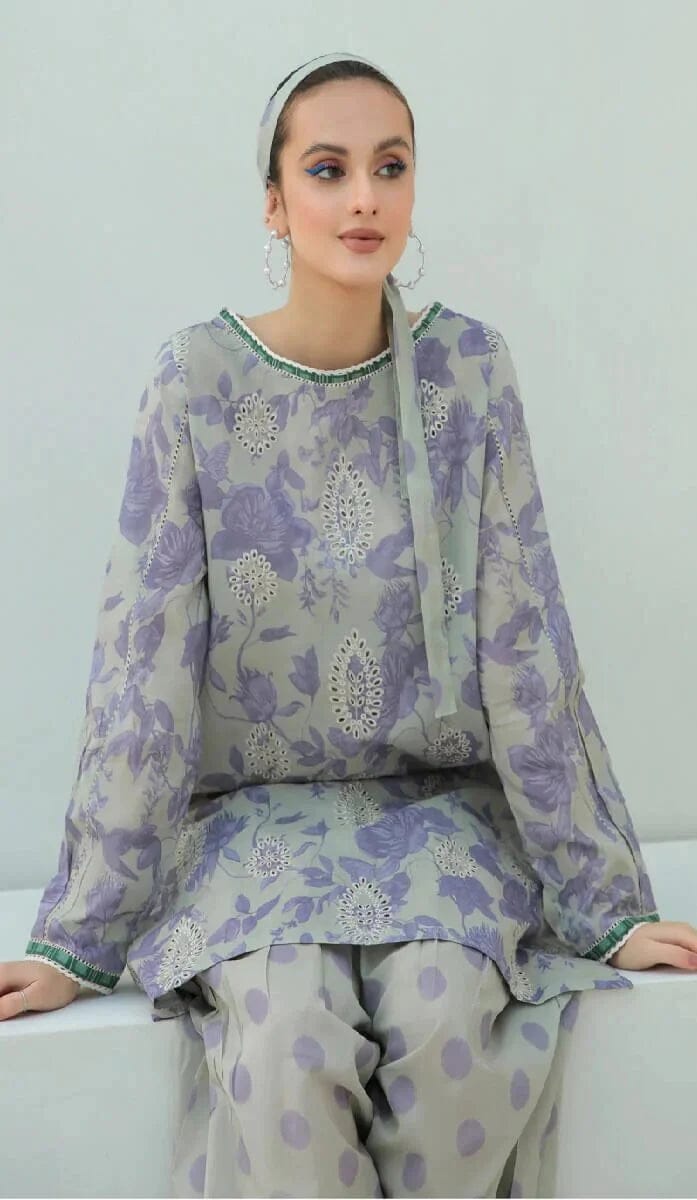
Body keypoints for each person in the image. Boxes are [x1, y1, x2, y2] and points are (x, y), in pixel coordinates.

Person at [2, 50, 697, 1199]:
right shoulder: (194, 382)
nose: (364, 196)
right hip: (246, 832)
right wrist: (77, 939)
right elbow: (144, 668)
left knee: (450, 1037)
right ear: (274, 203)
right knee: (286, 1049)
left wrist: (606, 907)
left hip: (443, 821)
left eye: (391, 166)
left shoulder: (469, 374)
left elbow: (525, 644)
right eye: (327, 169)